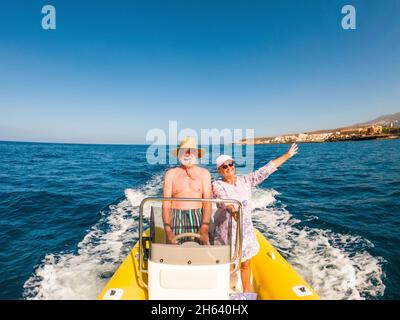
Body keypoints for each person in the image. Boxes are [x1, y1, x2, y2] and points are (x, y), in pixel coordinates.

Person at [212, 143, 299, 292]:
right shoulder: (217, 185)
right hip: (227, 234)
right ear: (219, 170)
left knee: (246, 264)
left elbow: (266, 170)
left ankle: (246, 294)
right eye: (224, 167)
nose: (229, 168)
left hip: (245, 231)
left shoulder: (245, 181)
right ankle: (221, 291)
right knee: (226, 265)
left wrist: (287, 155)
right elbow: (225, 200)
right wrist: (233, 210)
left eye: (230, 164)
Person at [162, 136, 212, 245]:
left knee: (198, 253)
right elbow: (166, 203)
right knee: (175, 253)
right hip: (175, 217)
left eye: (190, 151)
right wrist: (167, 229)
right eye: (184, 151)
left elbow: (207, 203)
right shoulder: (170, 174)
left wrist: (205, 225)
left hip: (198, 217)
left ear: (196, 154)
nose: (187, 154)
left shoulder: (204, 174)